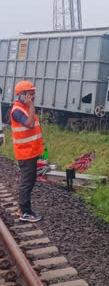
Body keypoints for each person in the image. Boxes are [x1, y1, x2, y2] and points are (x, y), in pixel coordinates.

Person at [9, 80, 44, 223]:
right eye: (30, 93)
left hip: (31, 151)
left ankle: (22, 209)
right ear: (22, 95)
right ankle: (25, 212)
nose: (33, 95)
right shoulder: (18, 110)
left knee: (29, 180)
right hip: (25, 153)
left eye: (33, 93)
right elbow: (29, 124)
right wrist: (31, 106)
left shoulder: (24, 108)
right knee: (26, 182)